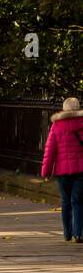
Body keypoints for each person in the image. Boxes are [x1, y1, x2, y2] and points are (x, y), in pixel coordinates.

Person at [40, 97, 83, 243]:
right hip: (81, 170)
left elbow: (49, 151)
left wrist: (45, 172)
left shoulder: (57, 126)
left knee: (66, 202)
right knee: (78, 201)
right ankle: (79, 234)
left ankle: (67, 233)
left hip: (62, 171)